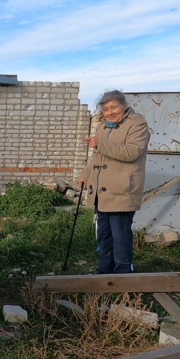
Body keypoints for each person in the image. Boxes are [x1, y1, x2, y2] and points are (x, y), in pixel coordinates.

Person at [77, 90, 150, 274]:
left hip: (121, 190)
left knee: (120, 235)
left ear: (124, 105)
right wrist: (85, 175)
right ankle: (104, 270)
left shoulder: (137, 124)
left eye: (113, 107)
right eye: (105, 109)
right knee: (103, 234)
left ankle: (123, 274)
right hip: (101, 193)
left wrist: (100, 143)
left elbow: (132, 152)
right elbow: (97, 157)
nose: (109, 112)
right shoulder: (103, 126)